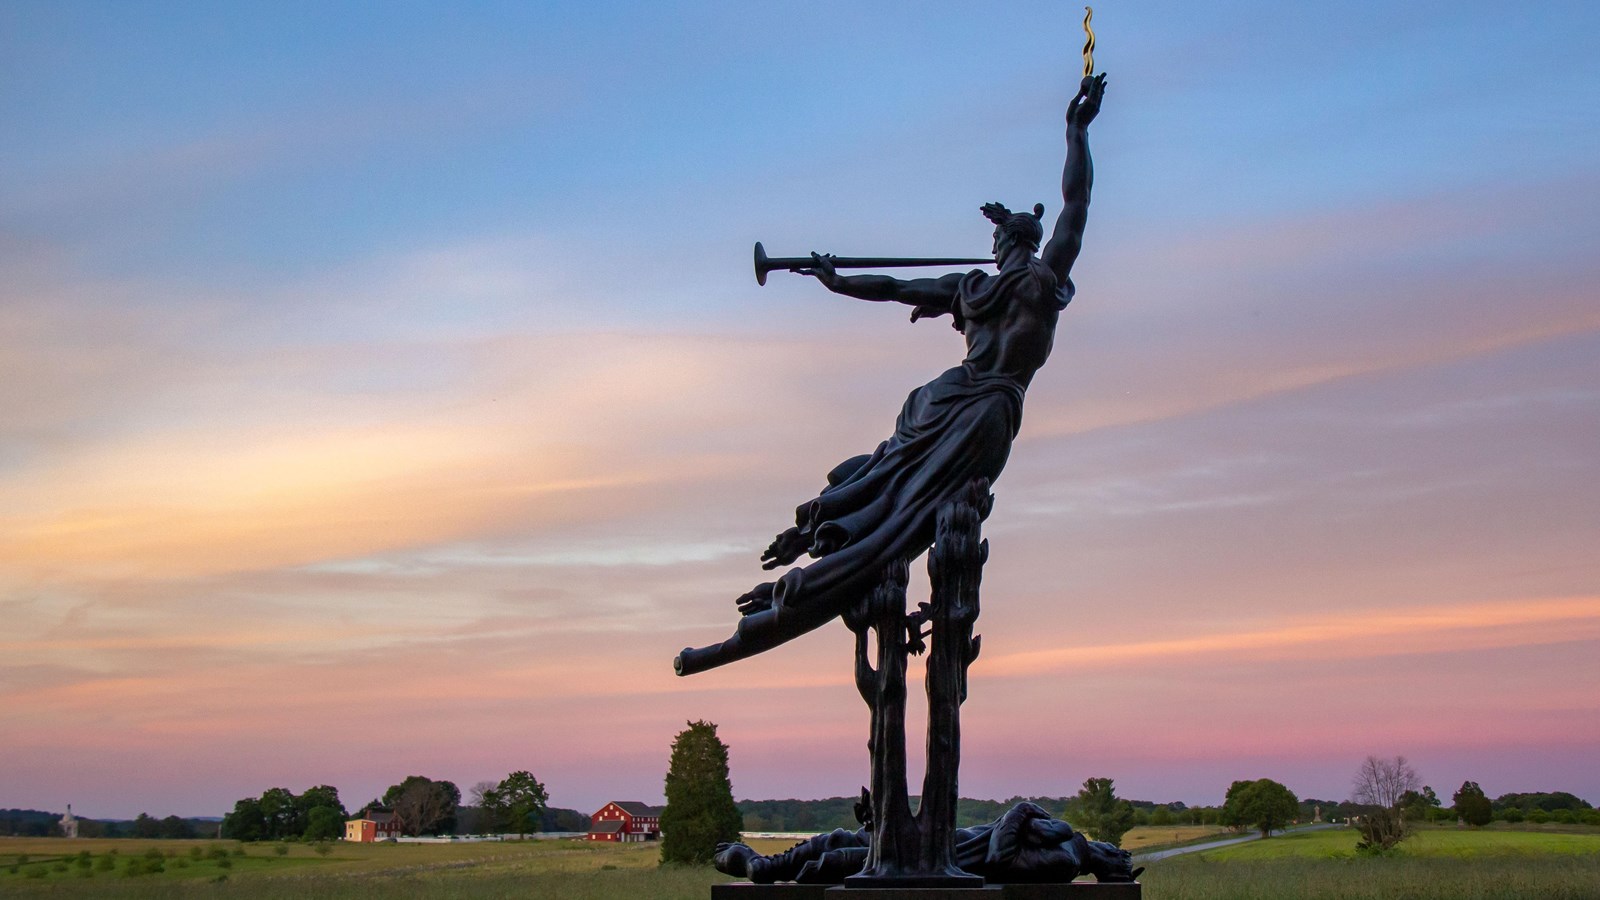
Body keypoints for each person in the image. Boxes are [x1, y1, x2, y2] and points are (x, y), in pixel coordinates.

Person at [675, 74, 1108, 677]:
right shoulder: (1041, 282)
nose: (991, 248)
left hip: (942, 398)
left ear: (1003, 241)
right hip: (988, 411)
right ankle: (810, 580)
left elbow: (892, 288)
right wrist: (1076, 132)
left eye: (994, 239)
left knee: (890, 489)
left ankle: (817, 537)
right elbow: (1077, 206)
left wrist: (835, 281)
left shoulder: (970, 288)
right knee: (902, 523)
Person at [713, 800, 1141, 884]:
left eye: (1115, 852)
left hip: (934, 858)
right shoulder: (1064, 839)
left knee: (843, 855)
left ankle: (757, 865)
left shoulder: (1066, 861)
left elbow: (999, 858)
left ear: (1109, 862)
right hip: (934, 842)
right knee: (843, 839)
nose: (1108, 844)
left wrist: (1021, 808)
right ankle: (757, 862)